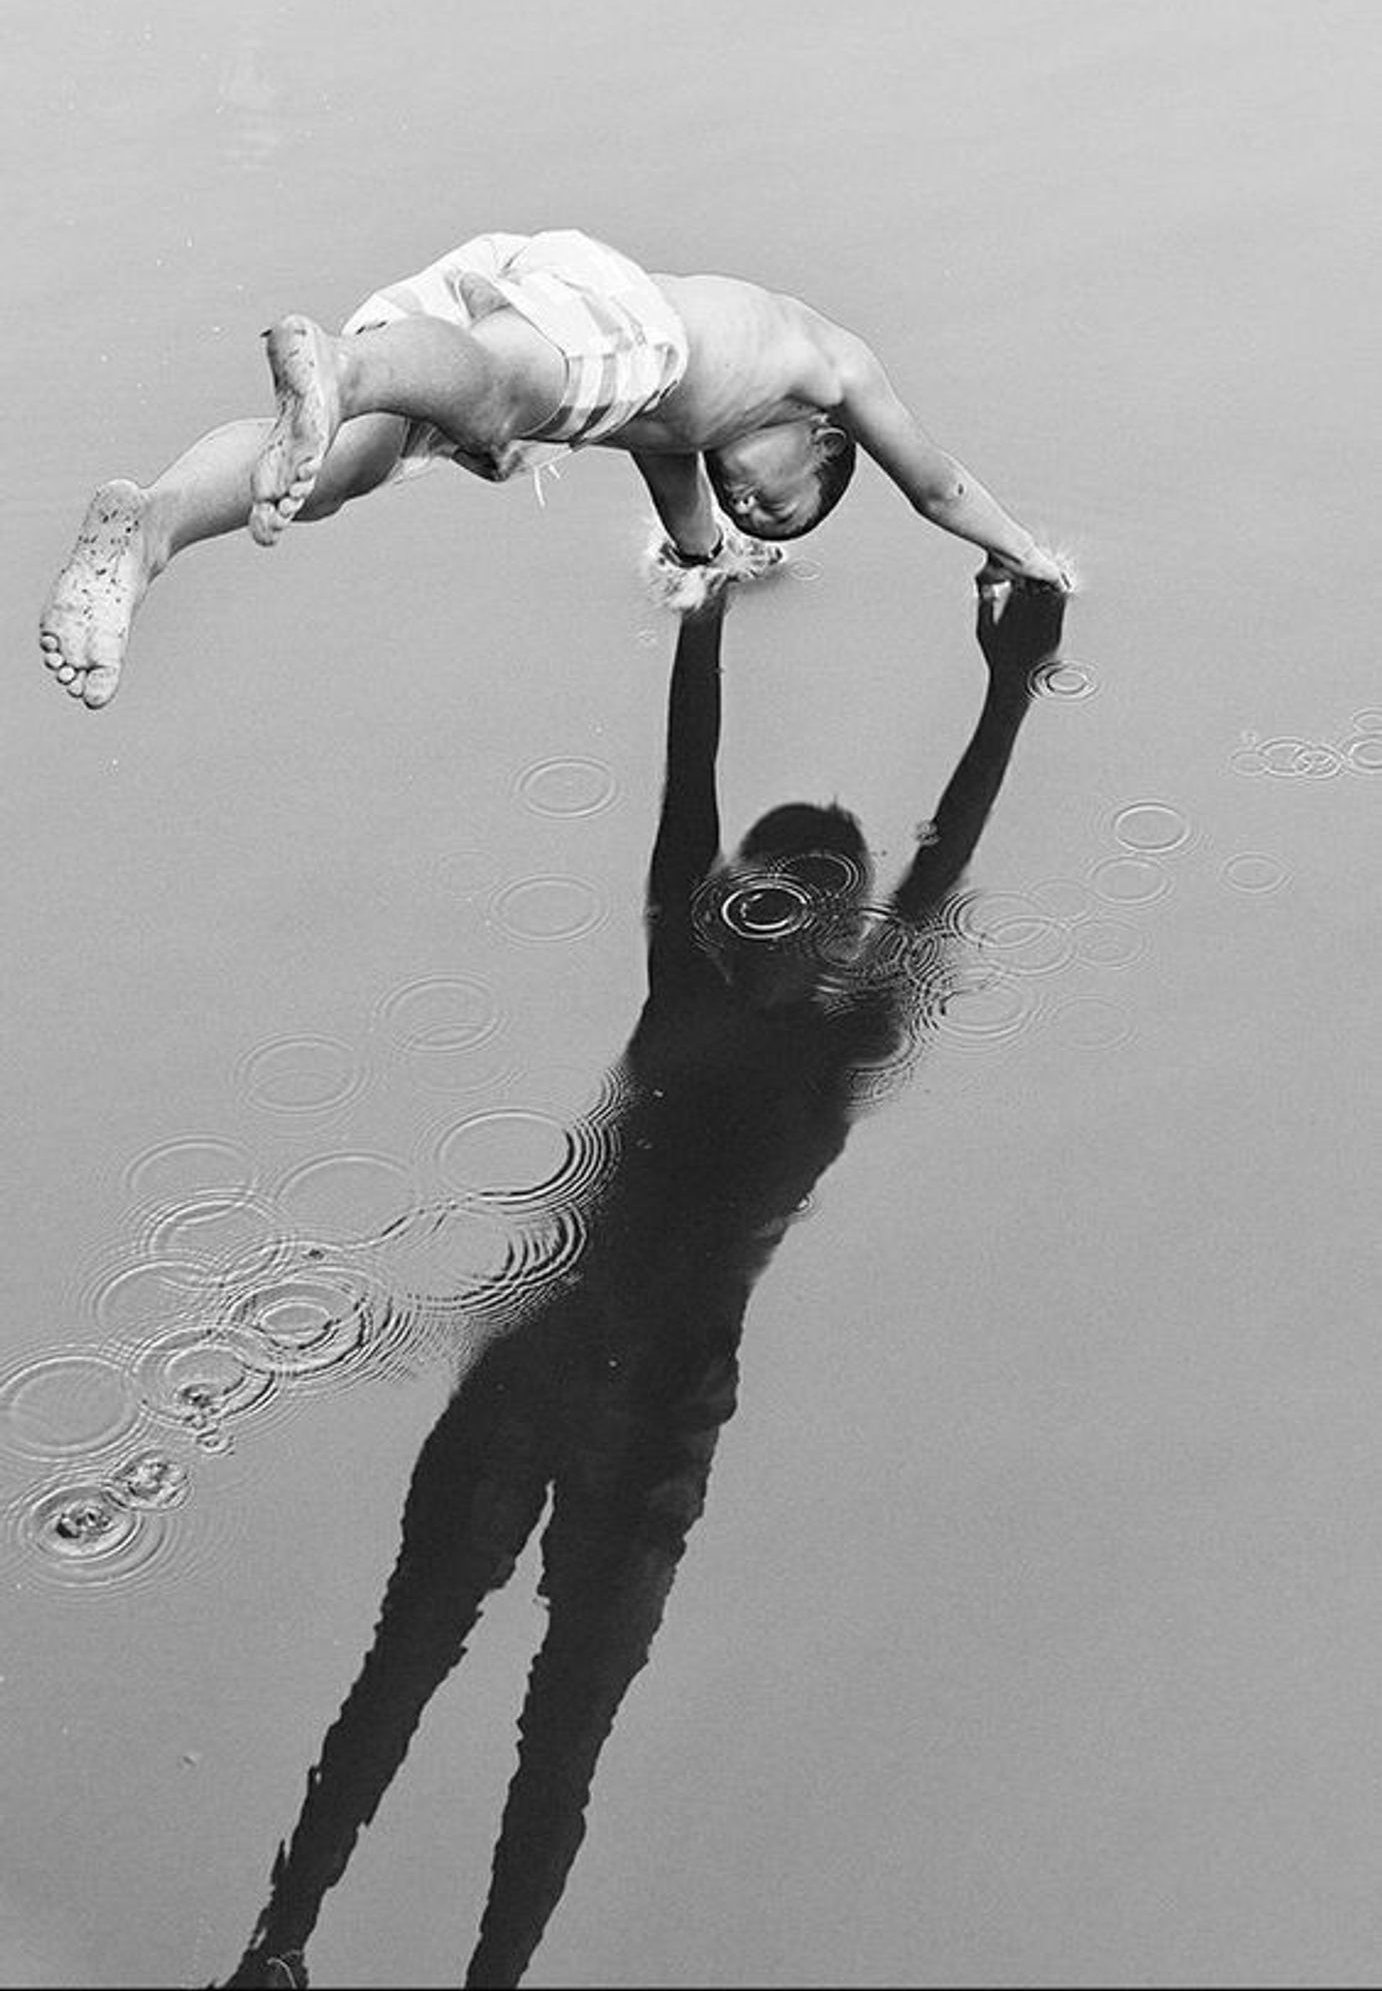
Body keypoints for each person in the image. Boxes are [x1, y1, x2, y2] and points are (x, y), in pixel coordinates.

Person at [211, 579, 1066, 1990]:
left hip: (633, 1394)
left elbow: (932, 858)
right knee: (424, 1676)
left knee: (552, 1727)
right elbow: (693, 784)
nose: (771, 906)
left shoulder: (806, 1030)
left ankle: (375, 1960)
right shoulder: (724, 996)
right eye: (758, 884)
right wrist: (701, 604)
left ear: (833, 927)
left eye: (809, 896)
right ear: (734, 902)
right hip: (587, 1377)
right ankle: (278, 1945)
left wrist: (1001, 687)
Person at [39, 227, 1068, 709]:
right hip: (597, 316)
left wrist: (705, 561)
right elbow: (933, 483)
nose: (748, 502)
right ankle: (346, 369)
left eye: (751, 514)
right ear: (822, 442)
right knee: (490, 397)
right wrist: (1025, 557)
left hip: (512, 307)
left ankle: (152, 529)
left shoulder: (675, 436)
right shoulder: (828, 370)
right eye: (779, 498)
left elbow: (688, 523)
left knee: (341, 475)